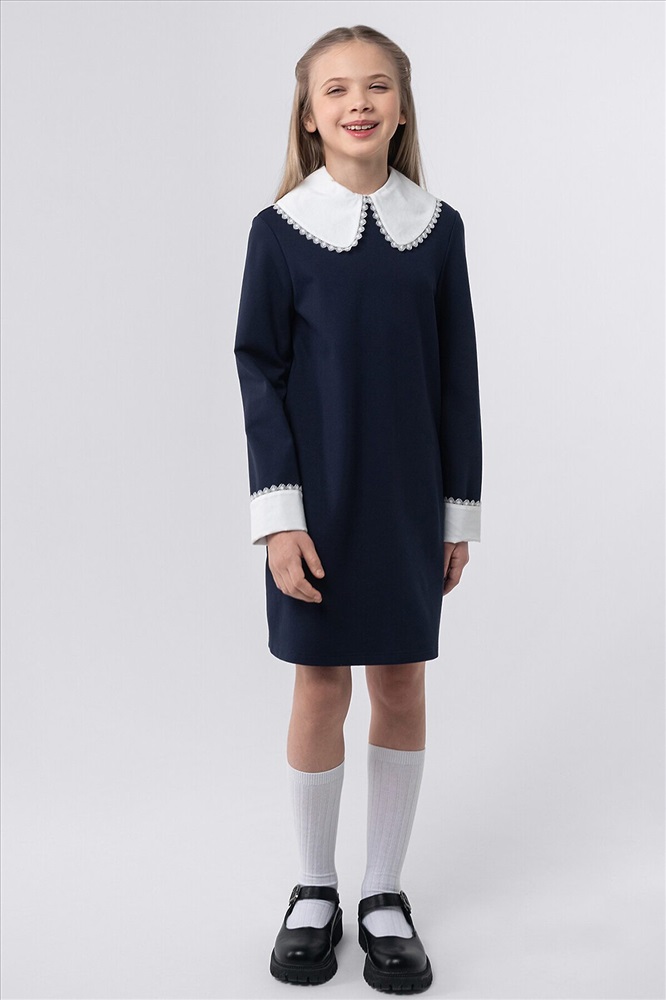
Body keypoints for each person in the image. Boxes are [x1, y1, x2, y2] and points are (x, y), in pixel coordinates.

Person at [233, 23, 483, 995]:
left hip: (408, 502)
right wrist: (278, 518)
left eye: (377, 86)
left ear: (403, 107)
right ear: (307, 115)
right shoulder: (280, 231)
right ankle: (313, 889)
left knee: (402, 685)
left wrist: (457, 514)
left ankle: (383, 892)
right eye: (335, 89)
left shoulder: (438, 230)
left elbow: (458, 378)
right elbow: (259, 372)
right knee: (319, 686)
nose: (358, 103)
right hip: (316, 505)